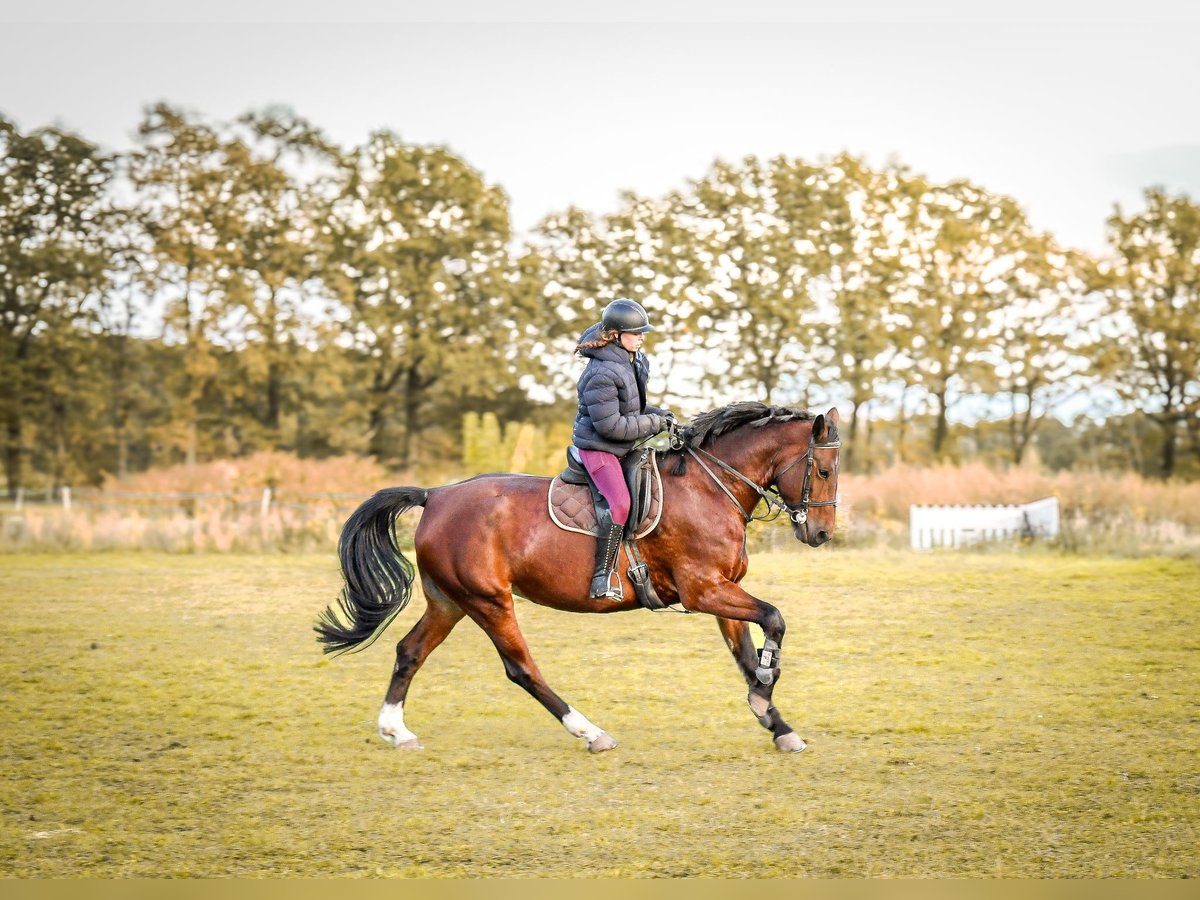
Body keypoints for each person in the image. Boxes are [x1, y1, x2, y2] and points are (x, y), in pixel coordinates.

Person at [572, 298, 674, 600]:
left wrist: (663, 415)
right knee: (619, 503)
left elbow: (635, 407)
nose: (642, 337)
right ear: (616, 335)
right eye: (636, 332)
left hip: (622, 447)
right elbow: (611, 426)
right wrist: (654, 424)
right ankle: (602, 576)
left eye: (643, 332)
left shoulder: (632, 361)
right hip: (599, 448)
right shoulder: (601, 373)